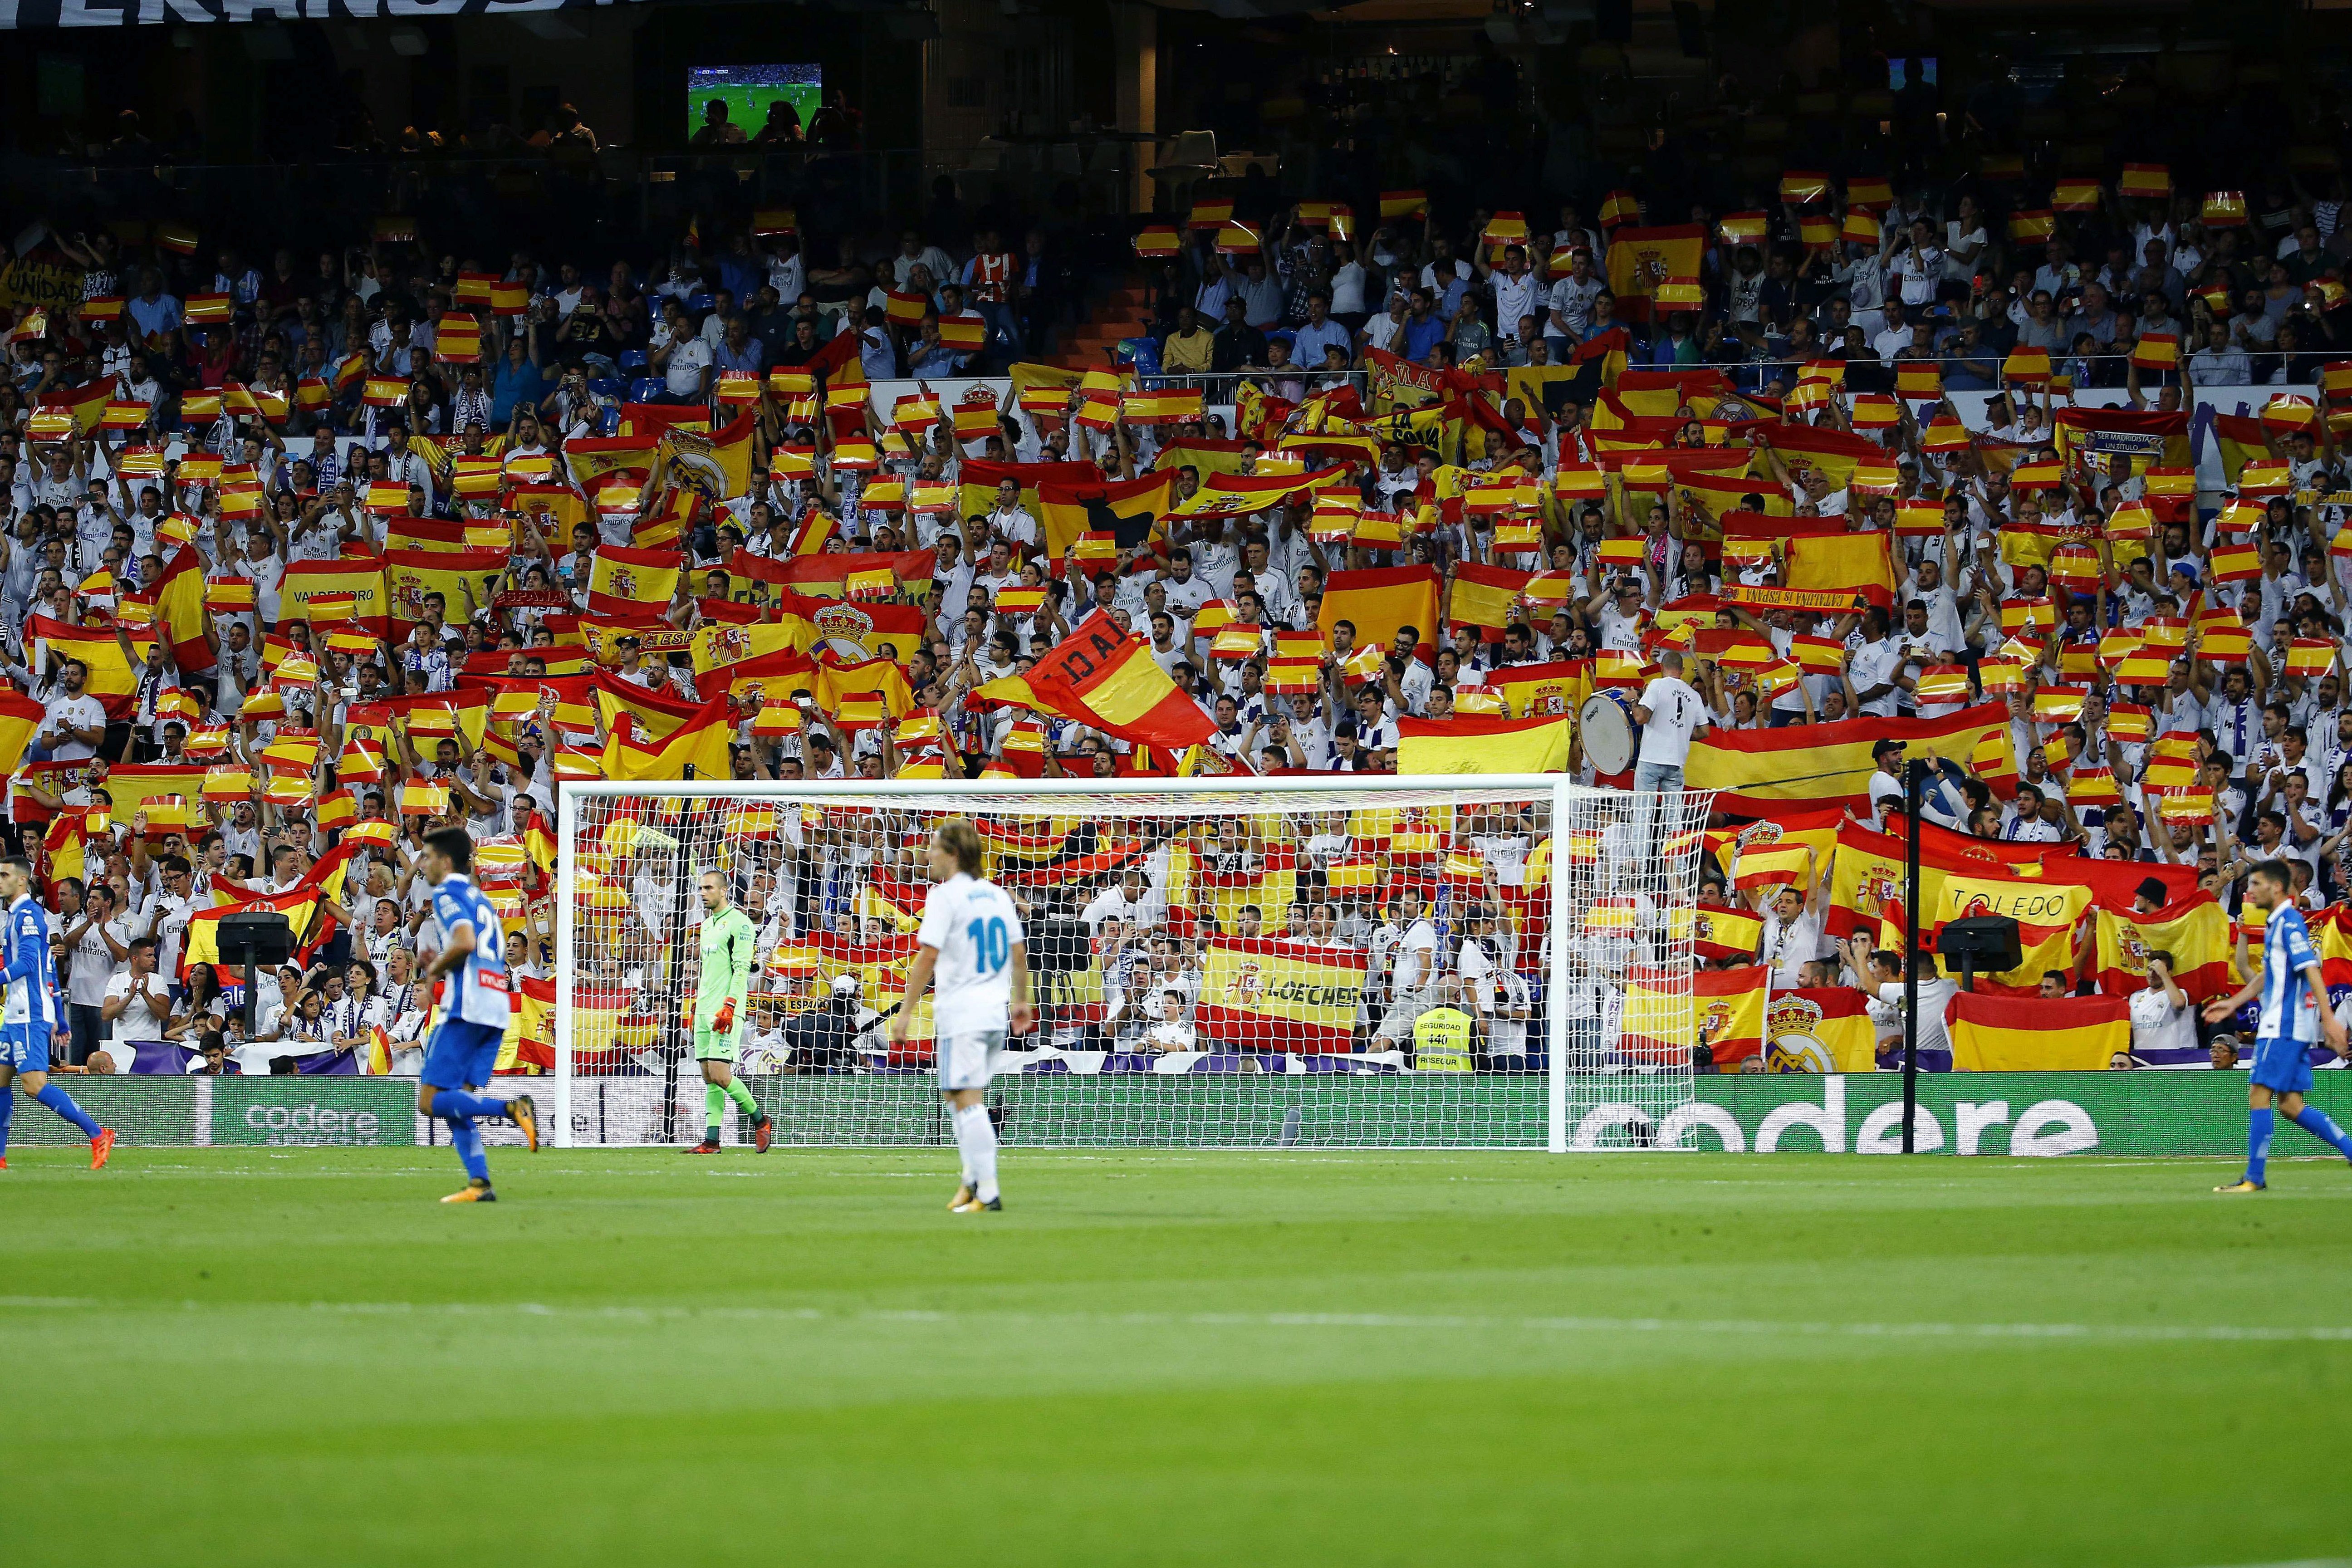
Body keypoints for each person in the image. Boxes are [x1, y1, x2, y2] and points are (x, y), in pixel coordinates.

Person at [890, 817, 1029, 1214]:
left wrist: (905, 1013)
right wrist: (1022, 1002)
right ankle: (971, 1183)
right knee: (961, 1097)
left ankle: (988, 1191)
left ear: (951, 854)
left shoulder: (945, 896)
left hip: (962, 1012)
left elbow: (928, 956)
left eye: (934, 847)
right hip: (994, 1012)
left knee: (966, 1101)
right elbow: (1018, 953)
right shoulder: (996, 895)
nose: (928, 854)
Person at [2200, 859, 2352, 1192]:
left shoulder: (2289, 922)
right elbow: (2271, 976)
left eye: (2256, 884)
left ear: (2277, 887)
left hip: (2281, 1025)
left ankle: (2254, 1178)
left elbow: (2312, 969)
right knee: (2290, 1106)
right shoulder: (2278, 923)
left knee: (2258, 1094)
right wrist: (2235, 1001)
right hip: (2290, 1025)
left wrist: (2329, 1021)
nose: (2249, 890)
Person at [415, 827, 536, 1203]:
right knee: (458, 1100)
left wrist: (435, 970)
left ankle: (512, 1108)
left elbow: (466, 943)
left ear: (446, 861)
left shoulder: (447, 892)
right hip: (496, 1004)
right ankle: (480, 1183)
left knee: (430, 1100)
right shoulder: (480, 898)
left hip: (467, 1006)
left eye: (428, 856)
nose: (424, 864)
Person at [0, 856, 113, 1171]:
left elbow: (25, 964)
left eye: (5, 874)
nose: (0, 879)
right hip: (15, 1012)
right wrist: (61, 1019)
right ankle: (0, 1157)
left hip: (28, 1012)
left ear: (21, 881)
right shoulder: (15, 915)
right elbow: (48, 964)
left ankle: (97, 1133)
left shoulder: (26, 916)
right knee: (0, 1080)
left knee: (33, 1085)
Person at [684, 867, 773, 1154]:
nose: (703, 893)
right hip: (704, 1010)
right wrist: (698, 1005)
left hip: (727, 1010)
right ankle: (712, 1141)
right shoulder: (707, 926)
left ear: (724, 891)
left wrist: (730, 1005)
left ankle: (760, 1121)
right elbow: (710, 971)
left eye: (709, 888)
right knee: (709, 1077)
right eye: (701, 888)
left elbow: (742, 968)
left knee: (722, 1075)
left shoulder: (741, 923)